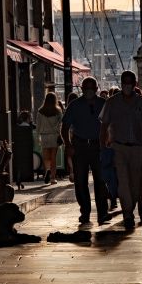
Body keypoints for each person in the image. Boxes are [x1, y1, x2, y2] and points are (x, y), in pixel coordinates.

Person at [99, 70, 142, 230]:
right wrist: (103, 146)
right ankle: (127, 214)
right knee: (123, 181)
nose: (127, 86)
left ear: (134, 84)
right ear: (121, 83)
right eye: (125, 83)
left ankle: (131, 207)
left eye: (130, 83)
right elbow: (104, 125)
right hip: (119, 147)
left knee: (136, 183)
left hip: (137, 147)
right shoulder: (112, 102)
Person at [61, 77, 111, 226]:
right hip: (80, 146)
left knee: (101, 181)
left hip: (98, 146)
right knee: (80, 181)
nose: (89, 90)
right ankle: (85, 212)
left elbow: (110, 125)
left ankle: (102, 213)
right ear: (81, 89)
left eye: (91, 87)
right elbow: (64, 127)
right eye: (86, 87)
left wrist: (108, 142)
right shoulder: (74, 105)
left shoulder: (103, 104)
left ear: (96, 88)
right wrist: (68, 144)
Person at [36, 92, 63, 185]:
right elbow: (61, 124)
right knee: (53, 157)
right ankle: (53, 178)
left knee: (46, 156)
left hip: (44, 136)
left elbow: (38, 125)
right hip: (54, 136)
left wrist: (38, 136)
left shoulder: (40, 111)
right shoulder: (58, 111)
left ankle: (47, 170)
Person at [65, 92, 78, 182]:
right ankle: (77, 171)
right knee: (77, 154)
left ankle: (72, 171)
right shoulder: (79, 108)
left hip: (69, 133)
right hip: (77, 134)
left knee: (69, 154)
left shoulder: (67, 109)